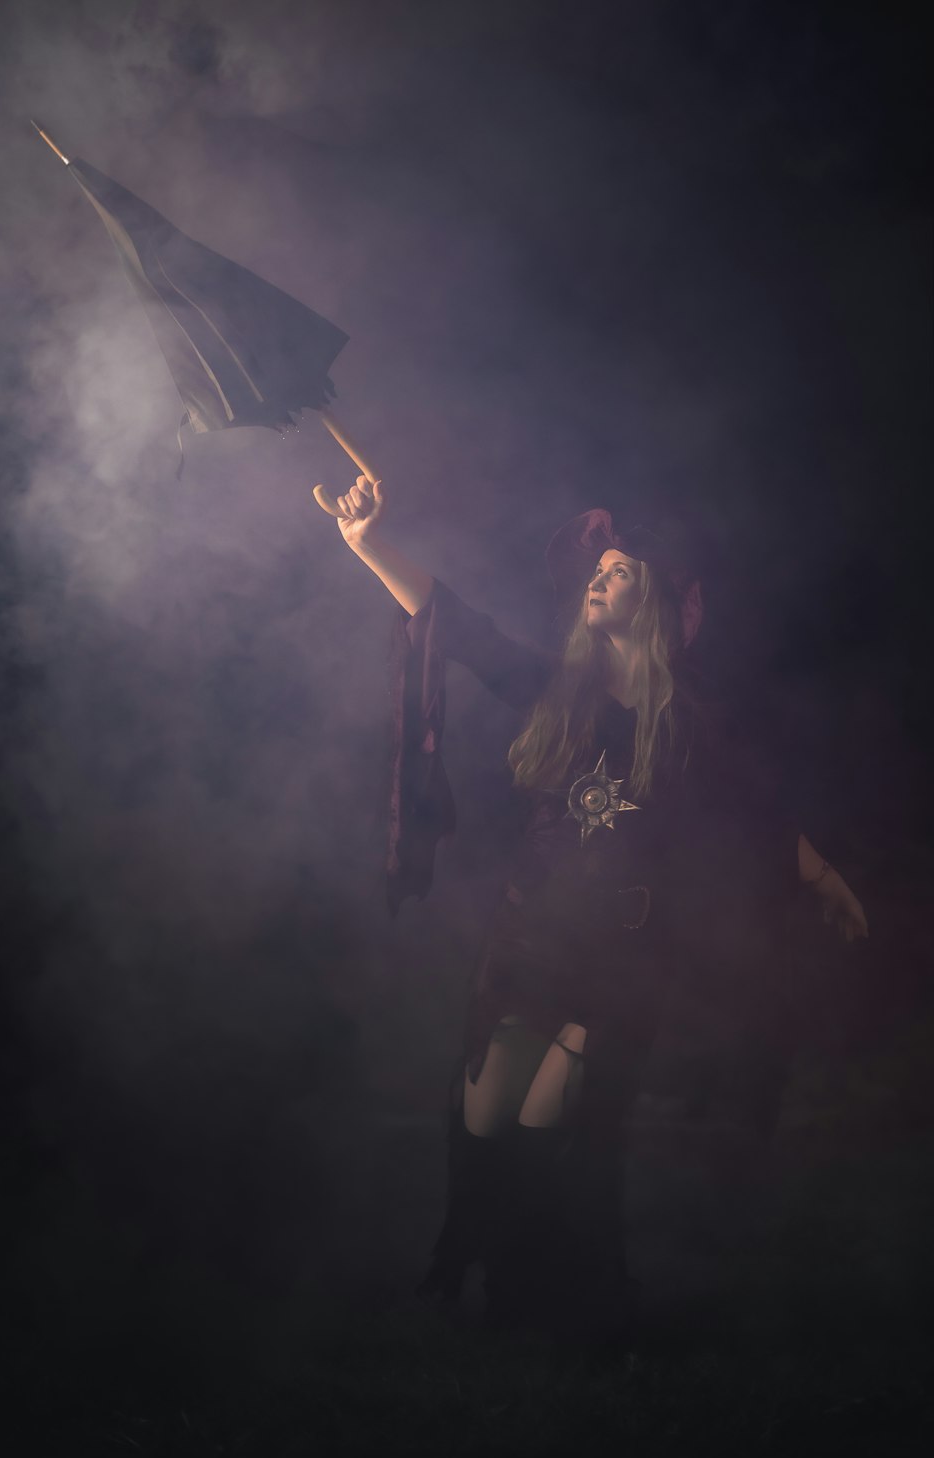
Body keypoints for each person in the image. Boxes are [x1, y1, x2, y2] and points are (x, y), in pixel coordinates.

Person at [327, 472, 868, 1351]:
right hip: (526, 942)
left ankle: (564, 1303)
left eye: (616, 571)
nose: (597, 578)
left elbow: (757, 813)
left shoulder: (688, 720)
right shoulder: (554, 689)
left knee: (556, 1126)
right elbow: (457, 625)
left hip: (620, 960)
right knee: (485, 1125)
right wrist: (367, 544)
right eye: (597, 570)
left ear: (650, 602)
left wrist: (826, 879)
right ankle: (490, 1282)